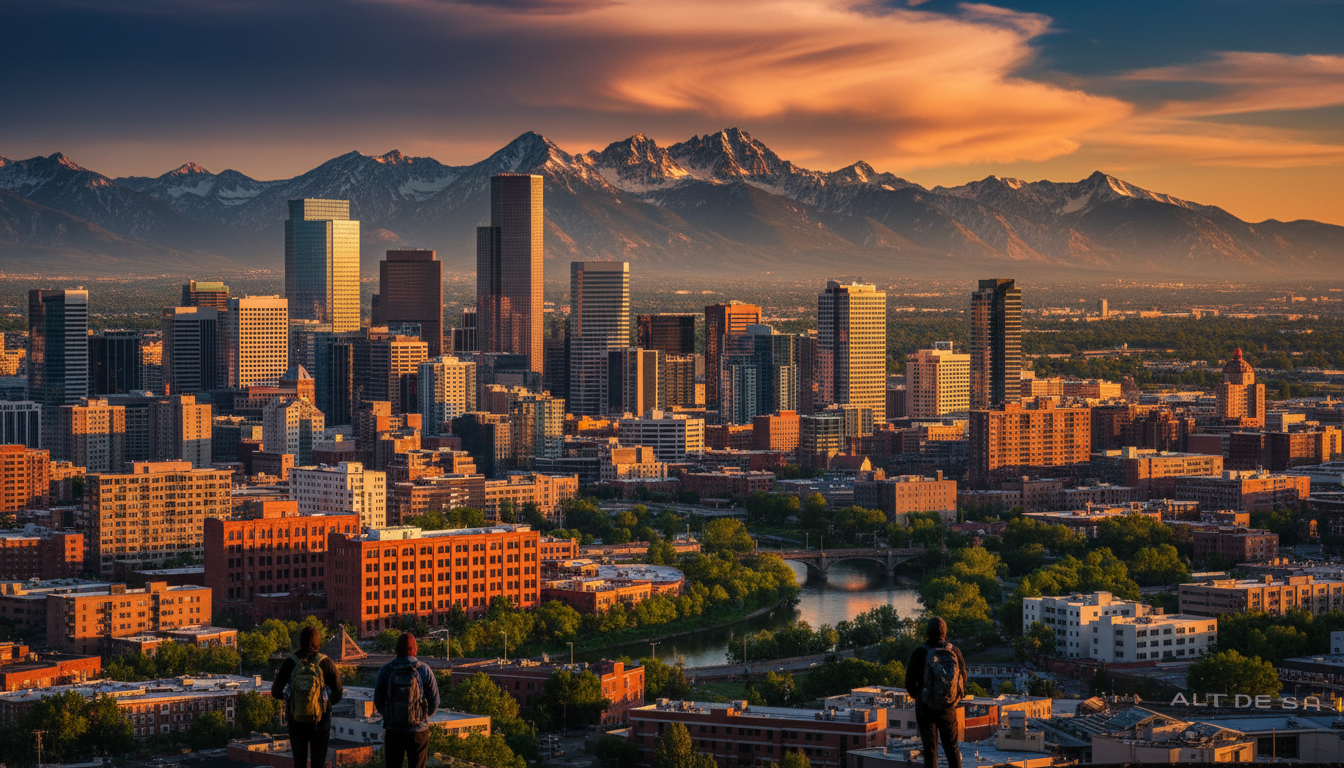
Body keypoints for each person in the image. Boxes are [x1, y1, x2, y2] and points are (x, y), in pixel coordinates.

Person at [272, 626, 344, 768]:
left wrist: (290, 698)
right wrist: (324, 703)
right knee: (318, 762)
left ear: (300, 641)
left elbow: (275, 692)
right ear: (318, 641)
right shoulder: (326, 663)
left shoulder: (290, 662)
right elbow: (338, 694)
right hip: (320, 721)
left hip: (296, 719)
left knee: (299, 762)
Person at [904, 617, 968, 768]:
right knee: (952, 748)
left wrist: (919, 696)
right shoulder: (954, 651)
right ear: (944, 633)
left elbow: (909, 682)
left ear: (927, 633)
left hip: (925, 708)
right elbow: (963, 679)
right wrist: (953, 698)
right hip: (948, 708)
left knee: (930, 750)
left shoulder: (920, 652)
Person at [374, 633, 441, 768]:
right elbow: (434, 703)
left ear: (396, 650)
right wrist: (421, 717)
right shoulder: (424, 670)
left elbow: (378, 701)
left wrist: (390, 716)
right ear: (415, 650)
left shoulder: (385, 670)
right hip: (418, 731)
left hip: (393, 730)